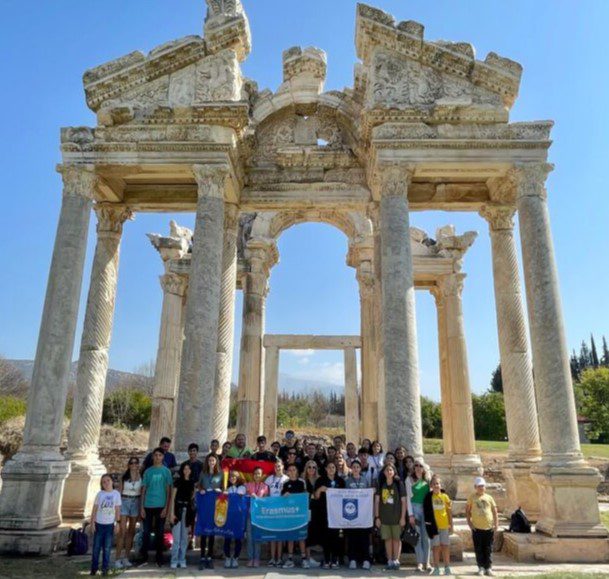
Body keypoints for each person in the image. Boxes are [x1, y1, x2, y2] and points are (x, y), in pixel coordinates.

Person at [140, 447, 173, 567]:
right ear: (153, 456)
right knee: (146, 532)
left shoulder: (166, 471)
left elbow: (169, 492)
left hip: (161, 506)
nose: (158, 457)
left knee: (160, 533)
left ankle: (160, 558)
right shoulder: (148, 471)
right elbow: (143, 490)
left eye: (160, 455)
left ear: (163, 457)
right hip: (148, 505)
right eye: (156, 455)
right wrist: (141, 508)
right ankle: (144, 557)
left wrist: (166, 508)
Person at [375, 463, 406, 572]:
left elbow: (404, 501)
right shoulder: (381, 484)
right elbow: (377, 501)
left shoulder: (399, 484)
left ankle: (396, 560)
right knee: (388, 539)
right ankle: (389, 560)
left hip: (396, 517)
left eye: (391, 470)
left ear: (394, 472)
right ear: (384, 472)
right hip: (384, 517)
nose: (389, 472)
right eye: (387, 470)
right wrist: (377, 517)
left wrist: (403, 517)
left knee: (396, 539)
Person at [314, 461, 345, 569]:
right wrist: (320, 489)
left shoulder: (340, 481)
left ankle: (335, 560)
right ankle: (327, 560)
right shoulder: (320, 480)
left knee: (336, 537)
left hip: (337, 514)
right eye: (329, 467)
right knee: (326, 537)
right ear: (326, 469)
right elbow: (316, 496)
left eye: (333, 467)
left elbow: (345, 496)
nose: (331, 469)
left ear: (336, 469)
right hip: (324, 513)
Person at [466, 477, 498, 577]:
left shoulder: (489, 497)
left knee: (488, 548)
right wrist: (469, 524)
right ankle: (481, 567)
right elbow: (467, 511)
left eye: (483, 486)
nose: (481, 488)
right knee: (478, 548)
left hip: (488, 528)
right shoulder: (472, 497)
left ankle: (488, 567)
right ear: (475, 487)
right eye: (479, 486)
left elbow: (494, 511)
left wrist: (496, 524)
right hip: (477, 528)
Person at [91, 474, 121, 576]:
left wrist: (118, 523)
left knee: (107, 548)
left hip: (109, 525)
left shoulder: (116, 494)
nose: (106, 483)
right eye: (104, 482)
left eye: (108, 480)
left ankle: (105, 568)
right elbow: (94, 509)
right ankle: (94, 568)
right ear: (101, 485)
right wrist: (92, 523)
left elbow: (117, 510)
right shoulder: (100, 494)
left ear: (112, 481)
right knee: (96, 547)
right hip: (99, 524)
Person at [197, 454, 224, 570]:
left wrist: (220, 490)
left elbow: (224, 487)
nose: (211, 462)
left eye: (213, 460)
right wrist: (202, 489)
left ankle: (209, 557)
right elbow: (199, 486)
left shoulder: (221, 473)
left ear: (216, 461)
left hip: (216, 505)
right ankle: (202, 556)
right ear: (207, 462)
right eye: (209, 460)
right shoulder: (203, 473)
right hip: (205, 504)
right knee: (204, 531)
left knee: (212, 531)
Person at [345, 459, 372, 571]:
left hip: (364, 514)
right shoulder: (347, 481)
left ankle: (366, 560)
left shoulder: (365, 480)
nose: (356, 469)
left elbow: (369, 494)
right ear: (351, 468)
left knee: (364, 537)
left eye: (358, 467)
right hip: (352, 512)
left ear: (360, 469)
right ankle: (353, 559)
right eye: (354, 467)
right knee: (352, 536)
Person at [115, 457, 141, 569]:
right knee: (122, 531)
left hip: (135, 501)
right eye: (132, 463)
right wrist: (117, 509)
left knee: (131, 531)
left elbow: (142, 491)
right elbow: (119, 493)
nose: (134, 465)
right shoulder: (124, 477)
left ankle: (126, 557)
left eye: (136, 463)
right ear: (129, 465)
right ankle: (117, 558)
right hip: (125, 500)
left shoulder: (141, 477)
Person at [281, 464, 309, 569]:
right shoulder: (285, 483)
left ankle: (303, 559)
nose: (292, 471)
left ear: (297, 471)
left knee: (301, 536)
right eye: (290, 470)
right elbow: (281, 497)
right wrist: (284, 496)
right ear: (287, 472)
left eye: (294, 470)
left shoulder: (301, 482)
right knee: (291, 537)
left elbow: (305, 495)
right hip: (289, 514)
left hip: (300, 514)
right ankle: (289, 559)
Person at [424, 475, 453, 576]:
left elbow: (449, 512)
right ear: (431, 485)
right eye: (434, 484)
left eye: (438, 483)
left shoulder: (445, 497)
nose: (436, 485)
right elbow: (427, 513)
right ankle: (436, 567)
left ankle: (447, 567)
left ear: (440, 485)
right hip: (434, 527)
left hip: (444, 526)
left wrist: (451, 525)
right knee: (435, 547)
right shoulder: (429, 497)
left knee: (445, 546)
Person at [407, 458, 432, 573]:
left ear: (423, 468)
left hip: (426, 510)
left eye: (420, 465)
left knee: (426, 537)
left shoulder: (428, 479)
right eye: (416, 465)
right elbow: (408, 498)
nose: (418, 467)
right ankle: (419, 563)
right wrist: (410, 514)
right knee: (417, 537)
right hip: (415, 509)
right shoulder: (409, 479)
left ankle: (427, 562)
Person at [171, 462, 195, 570]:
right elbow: (172, 499)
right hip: (177, 510)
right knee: (176, 538)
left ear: (190, 471)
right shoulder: (177, 482)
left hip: (187, 511)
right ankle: (174, 560)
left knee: (184, 538)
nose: (186, 470)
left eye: (188, 469)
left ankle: (182, 559)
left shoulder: (192, 483)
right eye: (184, 468)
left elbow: (192, 499)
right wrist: (171, 513)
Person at [265, 460, 289, 566]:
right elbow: (265, 492)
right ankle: (272, 558)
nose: (277, 468)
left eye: (279, 466)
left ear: (283, 467)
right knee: (272, 536)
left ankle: (279, 558)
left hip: (282, 510)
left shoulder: (286, 479)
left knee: (279, 536)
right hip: (271, 510)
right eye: (276, 466)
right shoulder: (269, 479)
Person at [245, 466, 269, 567]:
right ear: (252, 475)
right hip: (250, 514)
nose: (257, 475)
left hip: (259, 515)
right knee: (249, 537)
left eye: (259, 473)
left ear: (262, 475)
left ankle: (257, 559)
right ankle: (250, 558)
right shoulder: (247, 485)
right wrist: (250, 495)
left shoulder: (265, 487)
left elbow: (266, 500)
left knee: (257, 537)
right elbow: (244, 497)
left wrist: (258, 498)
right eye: (255, 474)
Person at [223, 471, 246, 568]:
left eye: (234, 476)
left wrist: (227, 494)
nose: (232, 478)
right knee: (227, 538)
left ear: (238, 478)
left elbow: (239, 496)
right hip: (228, 516)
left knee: (238, 539)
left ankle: (236, 558)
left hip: (238, 517)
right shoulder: (227, 488)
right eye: (231, 477)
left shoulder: (242, 488)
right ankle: (228, 558)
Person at [303, 460, 322, 569]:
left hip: (318, 510)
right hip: (306, 510)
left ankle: (314, 557)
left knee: (315, 533)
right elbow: (304, 495)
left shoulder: (319, 480)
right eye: (309, 467)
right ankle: (307, 557)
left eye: (314, 467)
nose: (311, 469)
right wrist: (313, 495)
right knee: (307, 534)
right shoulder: (303, 480)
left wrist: (313, 495)